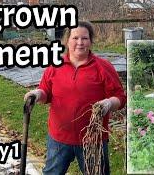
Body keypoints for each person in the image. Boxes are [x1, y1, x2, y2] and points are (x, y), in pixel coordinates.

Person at [24, 21, 126, 175]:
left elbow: (120, 97)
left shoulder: (103, 67)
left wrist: (109, 103)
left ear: (90, 41)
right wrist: (37, 94)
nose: (80, 42)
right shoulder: (55, 66)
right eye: (75, 38)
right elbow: (46, 92)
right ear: (67, 40)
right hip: (59, 138)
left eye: (84, 38)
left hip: (92, 141)